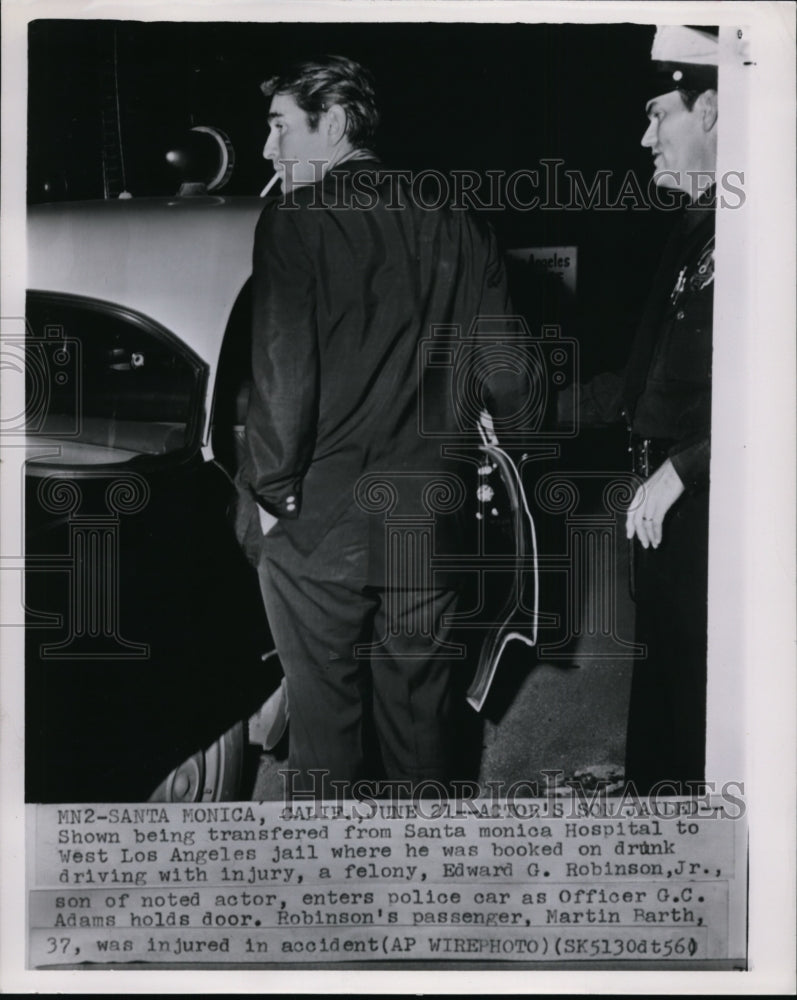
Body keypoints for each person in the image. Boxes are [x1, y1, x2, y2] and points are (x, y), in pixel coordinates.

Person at [237, 55, 529, 797]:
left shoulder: (293, 219)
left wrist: (272, 493)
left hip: (319, 515)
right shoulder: (453, 216)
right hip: (426, 511)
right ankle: (422, 884)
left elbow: (282, 373)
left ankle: (335, 890)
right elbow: (510, 374)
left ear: (331, 123)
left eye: (278, 128)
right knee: (421, 711)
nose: (268, 150)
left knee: (325, 718)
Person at [562, 26, 719, 793]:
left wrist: (684, 469)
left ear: (713, 110)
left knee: (702, 714)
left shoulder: (763, 231)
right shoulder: (697, 227)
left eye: (660, 114)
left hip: (710, 519)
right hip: (667, 516)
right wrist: (527, 412)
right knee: (662, 698)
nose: (644, 136)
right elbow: (638, 385)